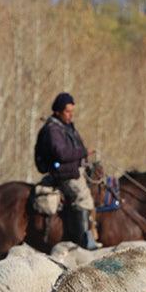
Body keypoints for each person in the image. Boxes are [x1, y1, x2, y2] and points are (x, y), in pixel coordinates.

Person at [34, 92, 99, 250]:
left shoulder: (66, 126)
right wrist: (84, 152)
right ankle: (84, 242)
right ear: (58, 111)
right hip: (64, 173)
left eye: (72, 111)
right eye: (67, 112)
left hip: (73, 169)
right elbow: (61, 153)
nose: (71, 115)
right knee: (83, 198)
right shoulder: (53, 129)